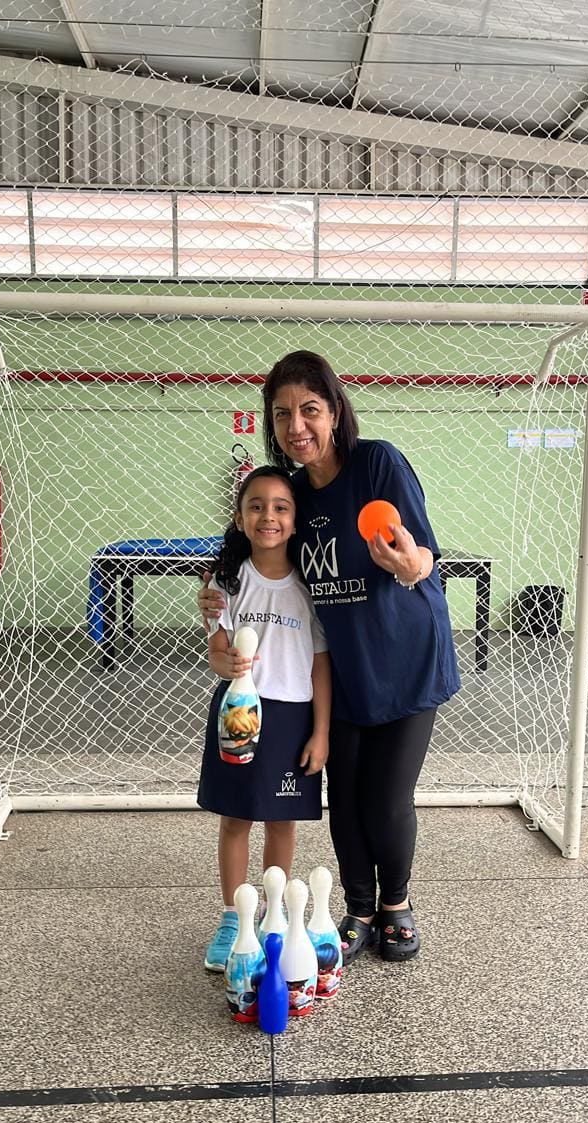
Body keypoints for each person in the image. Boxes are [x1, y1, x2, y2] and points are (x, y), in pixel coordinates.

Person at [199, 351, 461, 968]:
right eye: (283, 414)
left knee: (386, 796)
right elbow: (255, 563)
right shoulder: (295, 496)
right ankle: (359, 907)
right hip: (340, 670)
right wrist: (214, 601)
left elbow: (423, 552)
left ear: (335, 411)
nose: (298, 426)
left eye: (310, 410)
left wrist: (413, 566)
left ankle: (396, 905)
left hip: (405, 660)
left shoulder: (378, 463)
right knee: (342, 798)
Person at [197, 464, 331, 972]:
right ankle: (233, 918)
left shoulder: (313, 584)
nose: (268, 516)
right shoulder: (225, 581)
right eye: (256, 506)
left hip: (293, 715)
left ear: (295, 520)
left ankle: (275, 913)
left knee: (281, 820)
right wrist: (225, 661)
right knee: (236, 818)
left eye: (280, 507)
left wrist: (320, 731)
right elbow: (216, 651)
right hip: (240, 712)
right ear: (239, 517)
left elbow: (320, 663)